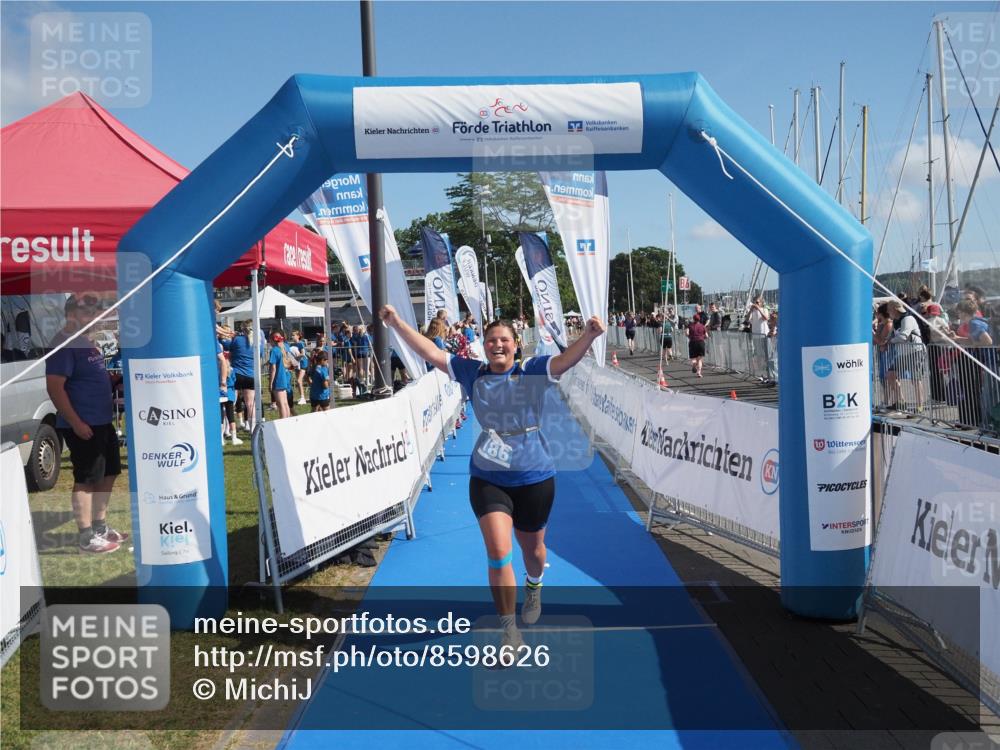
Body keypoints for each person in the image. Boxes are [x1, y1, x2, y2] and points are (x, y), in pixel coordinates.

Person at [379, 303, 606, 650]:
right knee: (499, 552)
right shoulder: (472, 372)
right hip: (488, 477)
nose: (497, 345)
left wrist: (588, 336)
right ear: (483, 346)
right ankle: (509, 630)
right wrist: (396, 323)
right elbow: (429, 351)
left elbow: (565, 361)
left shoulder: (533, 370)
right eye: (490, 341)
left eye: (503, 340)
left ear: (516, 344)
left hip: (534, 476)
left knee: (534, 552)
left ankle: (534, 585)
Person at [45, 296, 129, 554]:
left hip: (102, 421)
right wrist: (76, 422)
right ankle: (85, 537)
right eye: (86, 313)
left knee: (109, 472)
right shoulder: (64, 343)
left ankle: (100, 527)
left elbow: (89, 377)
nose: (92, 317)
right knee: (87, 478)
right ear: (71, 313)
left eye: (94, 312)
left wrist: (113, 381)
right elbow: (55, 387)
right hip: (84, 424)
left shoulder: (85, 342)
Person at [227, 320, 259, 433]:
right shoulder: (257, 342)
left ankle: (228, 430)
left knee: (231, 402)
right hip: (251, 375)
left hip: (236, 374)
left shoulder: (236, 340)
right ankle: (253, 429)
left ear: (242, 328)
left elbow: (230, 355)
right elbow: (259, 357)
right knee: (250, 404)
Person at [268, 331, 292, 419]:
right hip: (285, 378)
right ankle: (287, 420)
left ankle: (283, 421)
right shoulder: (284, 348)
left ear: (272, 340)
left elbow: (273, 368)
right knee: (285, 403)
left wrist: (270, 383)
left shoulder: (274, 350)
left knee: (280, 404)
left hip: (278, 379)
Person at [687, 312, 708, 377]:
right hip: (700, 342)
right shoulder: (702, 326)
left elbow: (686, 333)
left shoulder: (690, 326)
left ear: (693, 319)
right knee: (699, 359)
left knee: (693, 357)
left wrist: (690, 337)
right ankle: (699, 372)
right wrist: (702, 337)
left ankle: (694, 364)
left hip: (693, 342)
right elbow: (706, 336)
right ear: (699, 319)